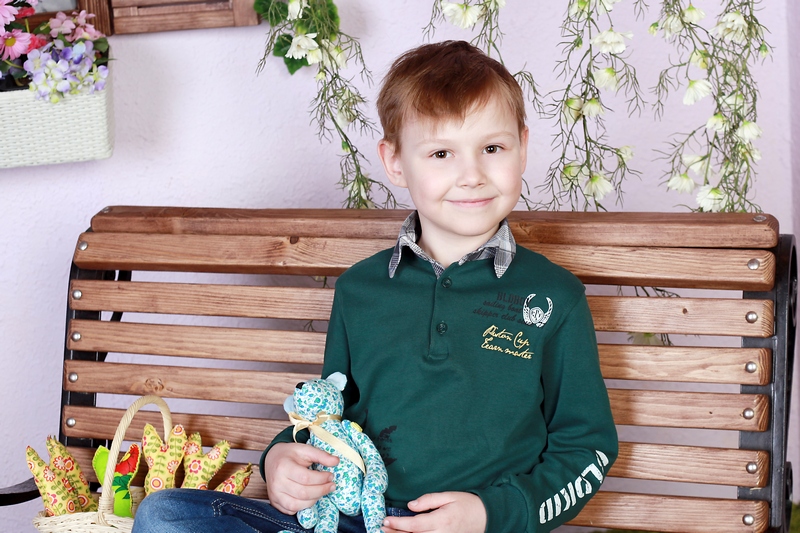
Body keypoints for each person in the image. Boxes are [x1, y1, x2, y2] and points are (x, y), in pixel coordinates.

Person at [132, 40, 617, 533]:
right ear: (395, 162)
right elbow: (327, 412)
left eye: (492, 149)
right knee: (165, 514)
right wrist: (279, 459)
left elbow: (587, 450)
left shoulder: (553, 297)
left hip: (476, 528)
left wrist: (490, 513)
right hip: (353, 520)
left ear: (523, 147)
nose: (472, 175)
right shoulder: (360, 289)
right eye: (441, 153)